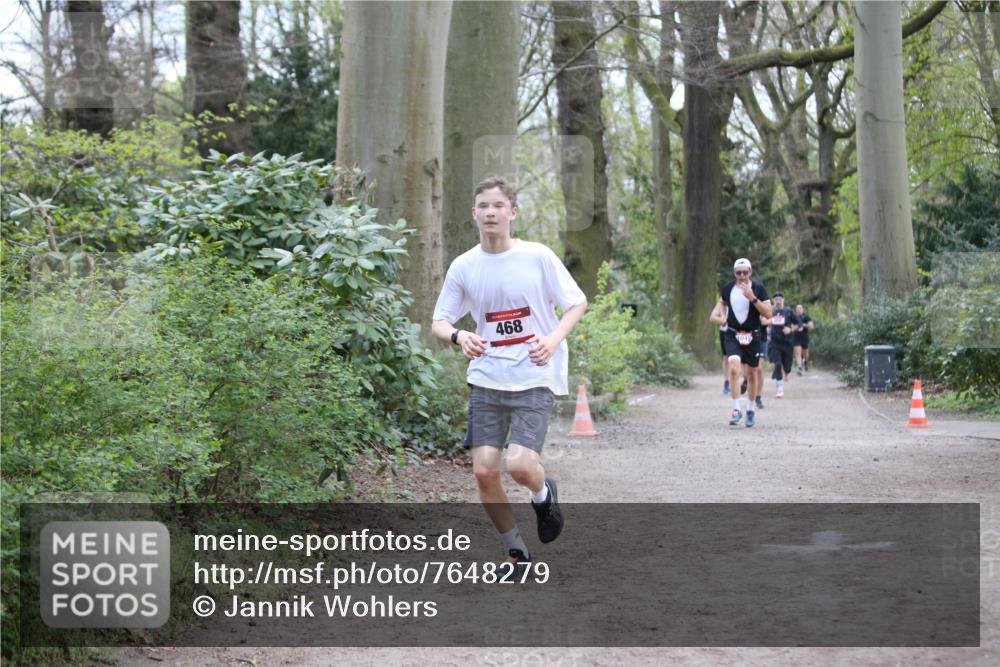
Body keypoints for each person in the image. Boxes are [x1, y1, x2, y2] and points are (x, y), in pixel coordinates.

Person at [431, 176, 588, 569]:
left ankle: (542, 496)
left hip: (535, 373)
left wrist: (551, 341)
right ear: (474, 213)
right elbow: (438, 321)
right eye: (483, 205)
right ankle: (516, 551)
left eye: (498, 205)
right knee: (485, 471)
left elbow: (577, 303)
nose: (490, 212)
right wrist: (459, 335)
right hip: (487, 377)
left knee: (519, 465)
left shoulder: (537, 256)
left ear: (512, 213)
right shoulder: (465, 265)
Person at [717, 258, 772, 427]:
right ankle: (735, 409)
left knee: (751, 373)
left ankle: (750, 409)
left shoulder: (758, 288)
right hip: (733, 334)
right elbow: (721, 302)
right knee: (734, 369)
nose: (742, 276)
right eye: (738, 273)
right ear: (734, 273)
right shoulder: (728, 288)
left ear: (750, 272)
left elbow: (769, 313)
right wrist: (722, 316)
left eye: (745, 272)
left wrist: (753, 298)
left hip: (753, 335)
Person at [764, 291, 799, 399]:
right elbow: (763, 322)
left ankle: (786, 372)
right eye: (776, 299)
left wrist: (790, 329)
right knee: (777, 364)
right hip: (774, 342)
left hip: (787, 342)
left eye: (780, 298)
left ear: (783, 300)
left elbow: (799, 324)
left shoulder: (788, 311)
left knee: (787, 367)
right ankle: (780, 388)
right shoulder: (770, 311)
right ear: (773, 301)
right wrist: (768, 329)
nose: (778, 300)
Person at [708, 303, 731, 395]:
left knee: (740, 359)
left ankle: (745, 380)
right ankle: (727, 382)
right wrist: (721, 319)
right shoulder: (722, 304)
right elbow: (712, 317)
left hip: (740, 332)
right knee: (726, 358)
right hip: (725, 332)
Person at [793, 304, 815, 374]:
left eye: (800, 308)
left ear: (803, 309)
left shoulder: (806, 317)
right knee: (798, 353)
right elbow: (790, 326)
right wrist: (795, 327)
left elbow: (811, 326)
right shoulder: (793, 317)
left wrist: (805, 325)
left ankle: (805, 362)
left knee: (806, 354)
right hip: (796, 337)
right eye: (797, 308)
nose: (798, 310)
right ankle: (799, 367)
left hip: (804, 337)